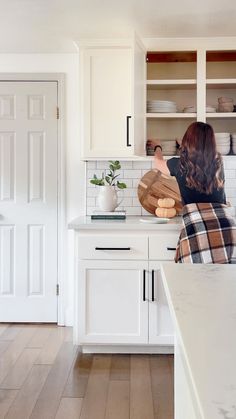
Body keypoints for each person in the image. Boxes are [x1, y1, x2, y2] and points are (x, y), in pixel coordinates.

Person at [147, 121, 236, 263]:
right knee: (221, 279)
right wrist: (183, 146)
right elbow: (199, 157)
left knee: (194, 277)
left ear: (187, 140)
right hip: (225, 224)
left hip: (197, 226)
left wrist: (158, 147)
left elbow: (158, 162)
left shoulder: (178, 164)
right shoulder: (218, 162)